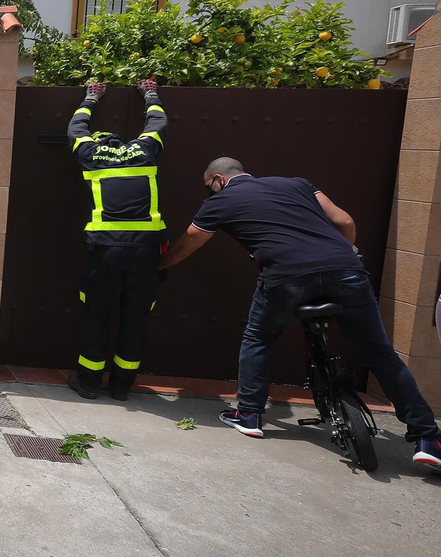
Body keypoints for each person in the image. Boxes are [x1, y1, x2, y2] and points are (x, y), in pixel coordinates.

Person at [160, 156, 441, 468]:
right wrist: (342, 256)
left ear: (219, 180)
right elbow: (345, 222)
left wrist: (156, 266)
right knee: (380, 355)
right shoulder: (299, 184)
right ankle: (428, 437)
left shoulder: (221, 200)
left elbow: (188, 244)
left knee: (258, 338)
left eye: (208, 186)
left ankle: (249, 414)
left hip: (287, 278)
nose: (210, 192)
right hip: (346, 273)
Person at [64, 79, 167, 401]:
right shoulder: (145, 150)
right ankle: (122, 386)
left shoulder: (91, 154)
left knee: (96, 314)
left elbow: (75, 126)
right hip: (145, 249)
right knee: (136, 316)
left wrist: (91, 97)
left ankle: (88, 382)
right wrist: (150, 93)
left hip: (105, 249)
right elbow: (158, 121)